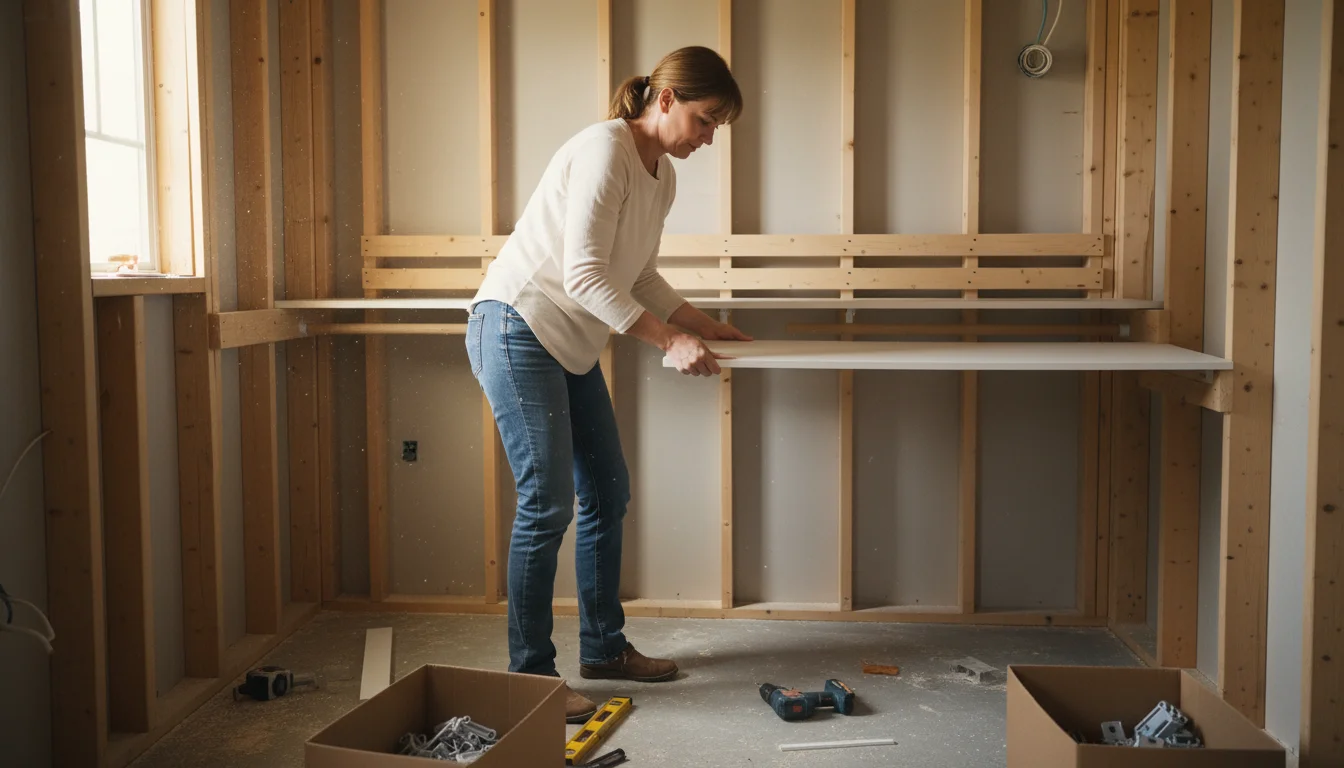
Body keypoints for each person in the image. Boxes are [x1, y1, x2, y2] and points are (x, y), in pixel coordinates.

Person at [465, 45, 751, 723]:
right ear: (667, 99)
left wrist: (706, 324)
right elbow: (584, 276)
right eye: (706, 121)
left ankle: (603, 649)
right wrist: (669, 341)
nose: (709, 139)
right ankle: (531, 679)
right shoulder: (604, 151)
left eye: (718, 128)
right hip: (515, 326)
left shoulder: (661, 177)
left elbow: (638, 277)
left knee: (607, 491)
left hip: (566, 341)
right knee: (547, 505)